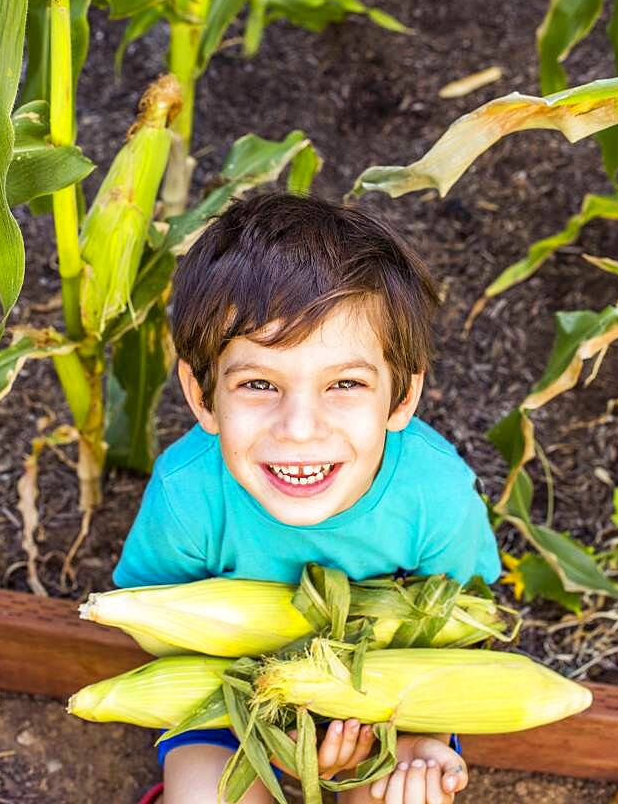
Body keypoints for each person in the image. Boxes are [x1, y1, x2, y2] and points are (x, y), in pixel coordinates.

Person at [115, 191, 501, 804]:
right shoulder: (187, 494)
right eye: (259, 383)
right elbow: (156, 625)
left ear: (401, 398)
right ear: (201, 395)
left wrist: (414, 736)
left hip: (388, 704)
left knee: (403, 795)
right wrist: (278, 723)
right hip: (233, 705)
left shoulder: (435, 495)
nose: (298, 428)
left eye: (344, 384)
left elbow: (464, 626)